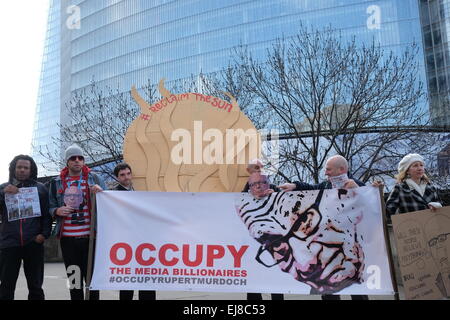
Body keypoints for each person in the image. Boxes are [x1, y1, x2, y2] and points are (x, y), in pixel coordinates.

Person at [278, 155, 369, 300]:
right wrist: (295, 186)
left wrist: (358, 191)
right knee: (327, 287)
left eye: (328, 170)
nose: (326, 173)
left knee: (355, 287)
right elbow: (311, 189)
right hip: (328, 247)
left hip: (350, 247)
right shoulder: (326, 186)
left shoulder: (358, 185)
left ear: (342, 169)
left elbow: (372, 209)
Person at [49, 144, 105, 300]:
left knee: (93, 282)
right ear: (67, 162)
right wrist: (56, 211)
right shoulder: (56, 182)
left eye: (80, 158)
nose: (77, 161)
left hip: (91, 239)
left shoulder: (95, 178)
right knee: (74, 282)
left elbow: (107, 203)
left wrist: (101, 193)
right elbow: (50, 206)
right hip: (68, 241)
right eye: (73, 158)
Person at [0, 155, 52, 300]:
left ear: (31, 170)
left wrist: (43, 235)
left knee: (35, 287)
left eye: (26, 168)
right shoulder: (3, 188)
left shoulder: (40, 188)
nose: (22, 170)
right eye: (19, 167)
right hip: (9, 243)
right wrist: (3, 194)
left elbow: (47, 215)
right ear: (13, 169)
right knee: (6, 286)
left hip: (33, 242)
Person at [111, 162, 156, 300]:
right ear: (117, 178)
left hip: (144, 240)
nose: (126, 177)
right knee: (127, 279)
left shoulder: (140, 190)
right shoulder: (113, 194)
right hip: (126, 242)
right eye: (122, 175)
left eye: (128, 173)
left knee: (146, 276)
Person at [243, 159, 283, 301]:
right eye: (256, 168)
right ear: (249, 172)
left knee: (275, 278)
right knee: (254, 278)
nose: (260, 169)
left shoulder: (274, 189)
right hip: (254, 241)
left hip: (274, 241)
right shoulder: (243, 193)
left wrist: (275, 198)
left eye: (262, 167)